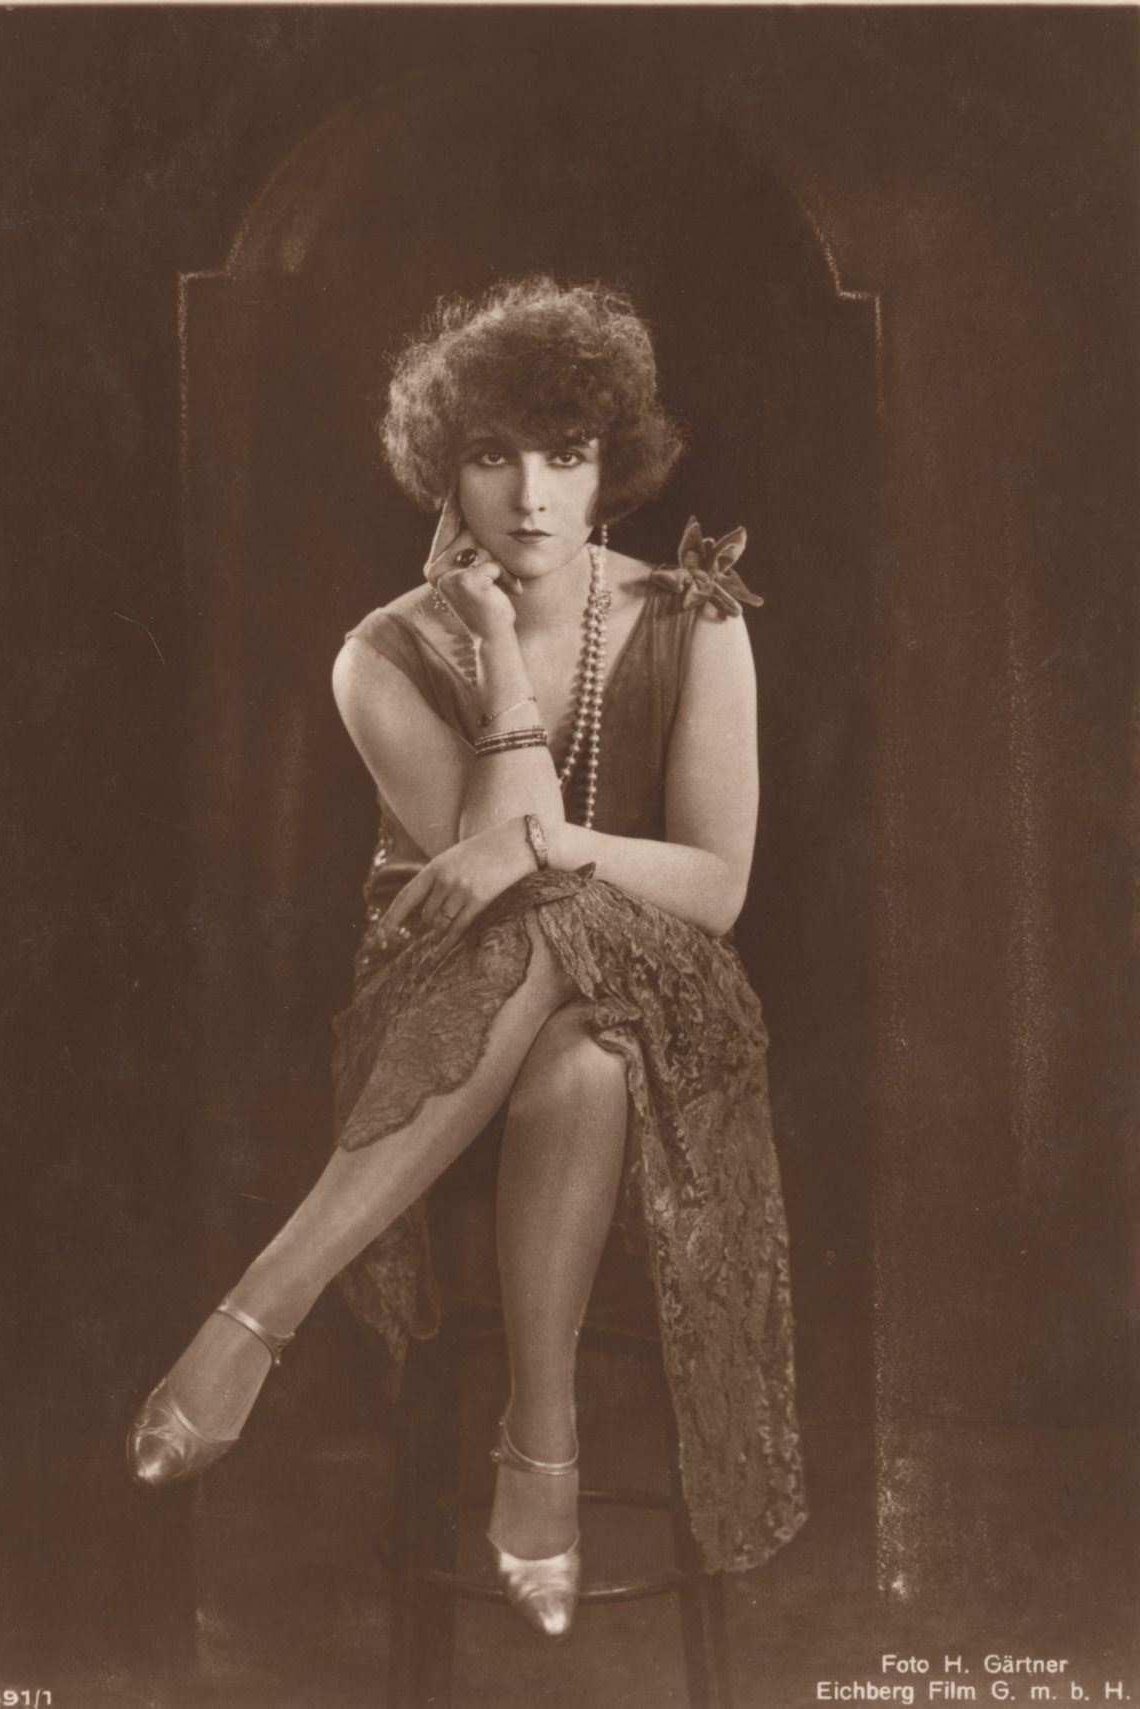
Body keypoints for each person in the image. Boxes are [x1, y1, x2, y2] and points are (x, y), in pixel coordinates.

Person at [128, 276, 808, 1639]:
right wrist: (498, 654)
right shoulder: (380, 657)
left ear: (614, 465)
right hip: (444, 1011)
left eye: (567, 455)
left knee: (590, 999)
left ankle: (259, 1310)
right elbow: (493, 907)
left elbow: (716, 891)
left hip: (670, 999)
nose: (533, 498)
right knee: (575, 1037)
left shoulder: (698, 617)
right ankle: (541, 1441)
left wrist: (542, 845)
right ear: (446, 472)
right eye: (495, 456)